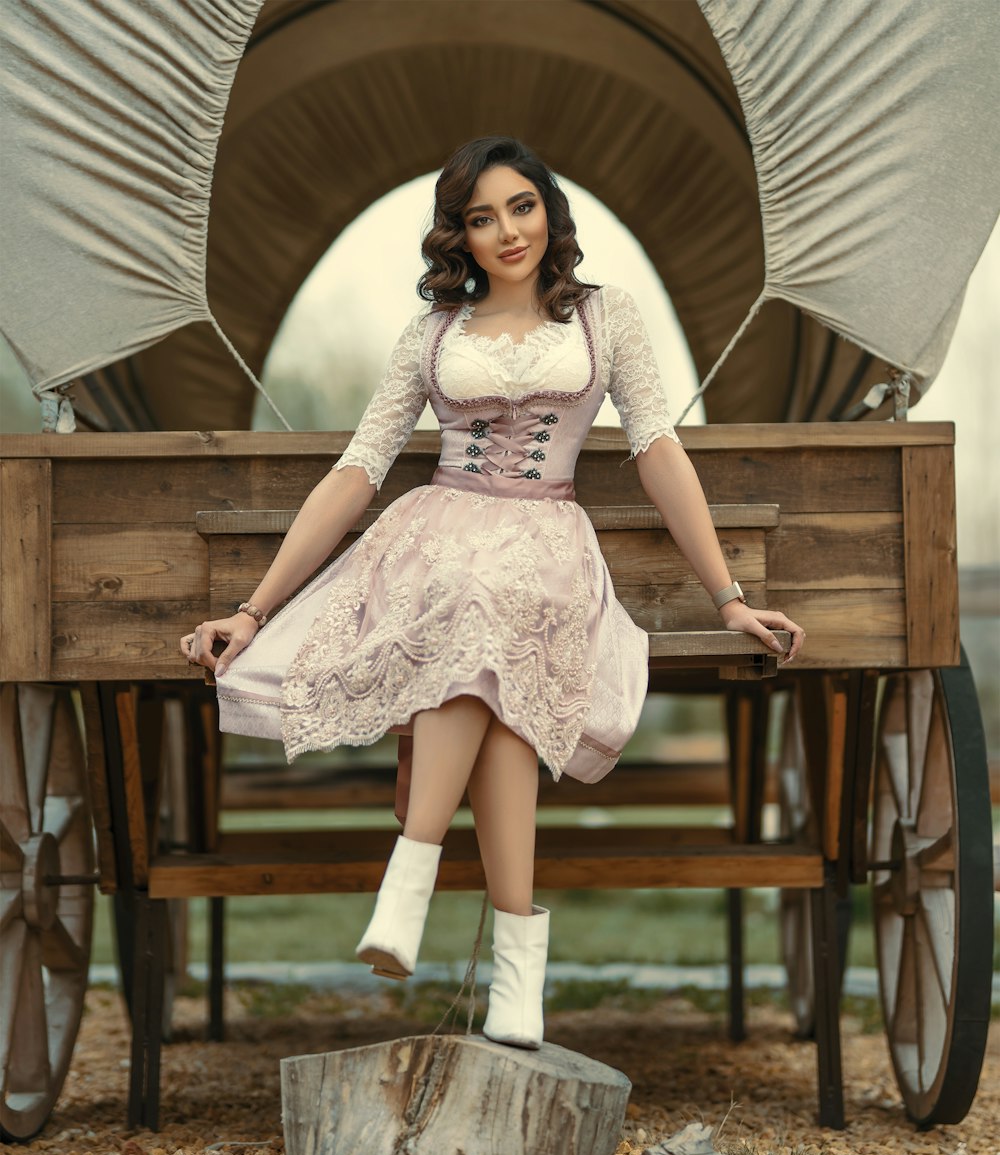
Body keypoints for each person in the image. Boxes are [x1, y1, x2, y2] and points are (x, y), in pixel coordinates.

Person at [181, 135, 804, 1051]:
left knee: (501, 625)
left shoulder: (606, 316)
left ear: (549, 212)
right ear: (459, 238)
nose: (506, 230)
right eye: (481, 217)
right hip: (435, 539)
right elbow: (360, 467)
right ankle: (513, 962)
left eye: (521, 207)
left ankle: (415, 867)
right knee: (481, 629)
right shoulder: (432, 335)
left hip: (547, 537)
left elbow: (659, 448)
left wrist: (728, 597)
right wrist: (252, 608)